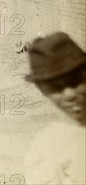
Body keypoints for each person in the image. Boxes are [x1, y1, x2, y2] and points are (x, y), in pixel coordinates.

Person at [23, 32, 86, 184]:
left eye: (75, 81)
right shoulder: (48, 148)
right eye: (56, 88)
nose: (70, 94)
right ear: (42, 90)